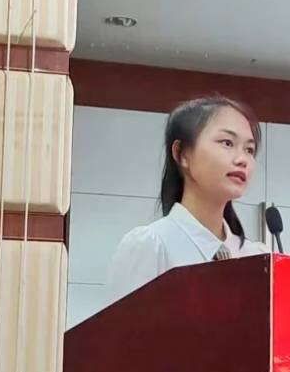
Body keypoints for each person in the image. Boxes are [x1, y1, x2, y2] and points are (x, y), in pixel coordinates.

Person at [106, 96, 269, 302]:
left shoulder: (257, 257)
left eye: (249, 149)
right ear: (182, 154)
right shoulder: (150, 246)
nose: (242, 159)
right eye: (227, 143)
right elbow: (124, 323)